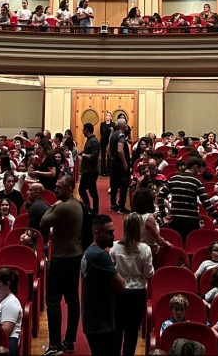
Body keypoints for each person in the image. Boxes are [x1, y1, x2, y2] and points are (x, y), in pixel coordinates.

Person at [41, 176, 83, 356]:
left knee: (52, 300)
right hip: (74, 256)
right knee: (72, 298)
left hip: (62, 259)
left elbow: (43, 222)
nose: (56, 190)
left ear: (69, 189)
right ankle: (69, 340)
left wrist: (53, 205)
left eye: (59, 188)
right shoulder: (77, 204)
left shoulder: (64, 207)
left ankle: (55, 344)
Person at [111, 213, 154, 356]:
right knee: (132, 331)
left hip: (119, 292)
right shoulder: (145, 249)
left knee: (117, 330)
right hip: (137, 293)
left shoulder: (115, 247)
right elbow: (149, 274)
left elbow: (111, 272)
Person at [81, 215, 125, 356]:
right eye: (109, 232)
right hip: (101, 323)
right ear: (97, 233)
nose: (113, 236)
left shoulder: (89, 251)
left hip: (93, 320)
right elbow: (121, 286)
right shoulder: (100, 256)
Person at [167, 156, 218, 243]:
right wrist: (217, 217)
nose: (198, 173)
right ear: (195, 167)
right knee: (192, 244)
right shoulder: (196, 182)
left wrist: (163, 215)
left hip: (176, 220)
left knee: (178, 243)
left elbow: (160, 196)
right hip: (191, 221)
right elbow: (205, 202)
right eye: (198, 170)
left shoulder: (173, 179)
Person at [79, 122, 101, 212]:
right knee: (90, 191)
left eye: (83, 129)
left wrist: (83, 154)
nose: (82, 131)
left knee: (89, 191)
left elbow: (94, 156)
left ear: (87, 130)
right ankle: (89, 208)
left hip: (90, 171)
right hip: (87, 170)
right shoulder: (89, 140)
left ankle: (91, 209)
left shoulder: (93, 141)